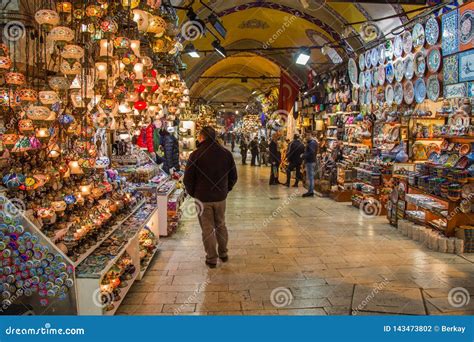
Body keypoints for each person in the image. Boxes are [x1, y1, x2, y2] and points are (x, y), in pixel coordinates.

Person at [183, 126, 238, 268]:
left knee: (207, 229)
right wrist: (226, 190)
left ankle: (212, 258)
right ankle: (223, 253)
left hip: (202, 198)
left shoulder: (195, 155)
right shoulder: (226, 154)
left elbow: (187, 179)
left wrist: (194, 193)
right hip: (220, 198)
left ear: (202, 137)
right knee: (221, 225)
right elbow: (234, 176)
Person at [302, 132, 318, 197]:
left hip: (310, 162)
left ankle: (311, 191)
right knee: (310, 177)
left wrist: (303, 155)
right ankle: (310, 191)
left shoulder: (312, 143)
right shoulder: (311, 143)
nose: (306, 138)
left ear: (310, 135)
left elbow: (311, 153)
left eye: (307, 136)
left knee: (310, 177)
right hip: (310, 161)